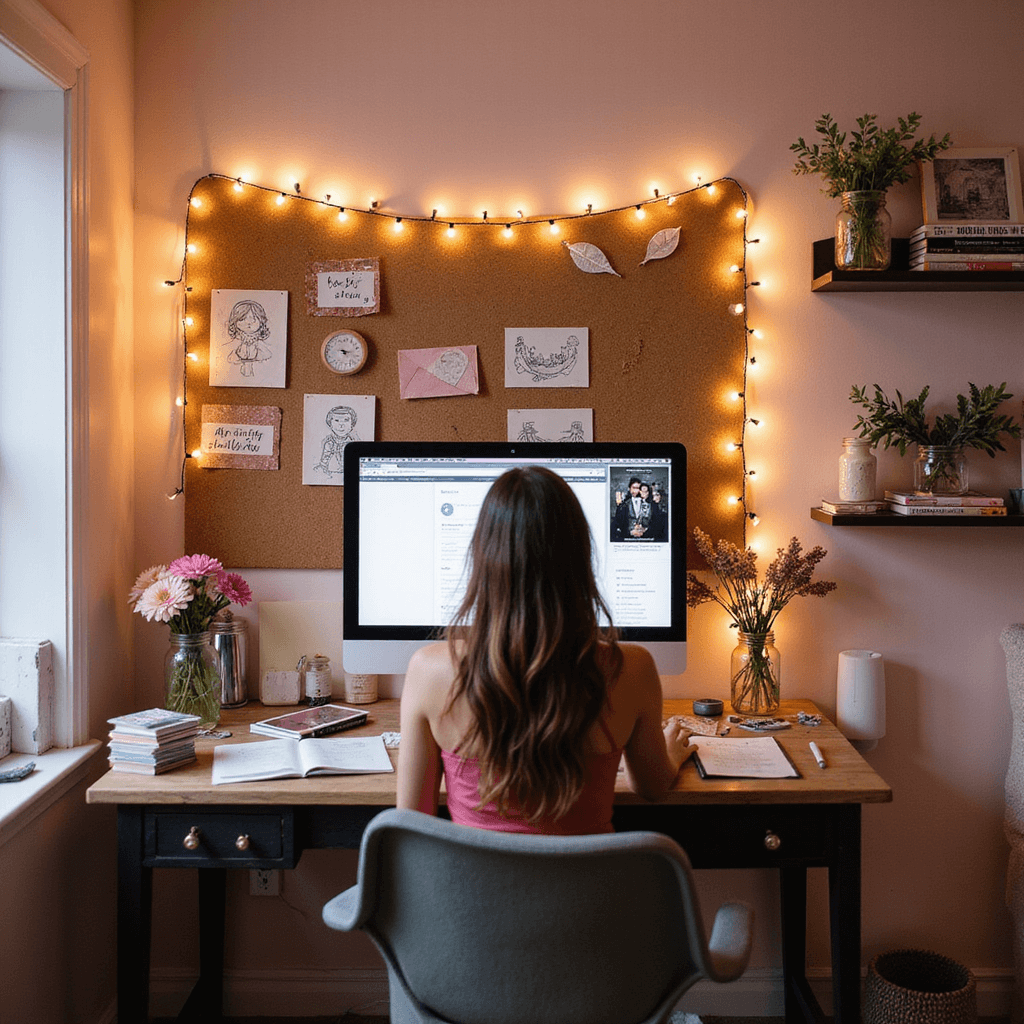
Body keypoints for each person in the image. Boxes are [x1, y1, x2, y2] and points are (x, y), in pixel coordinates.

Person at [397, 466, 693, 834]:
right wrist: (673, 755)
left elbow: (413, 824)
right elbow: (651, 787)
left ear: (482, 559)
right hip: (589, 892)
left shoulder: (430, 670)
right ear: (581, 557)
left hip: (471, 892)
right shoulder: (631, 669)